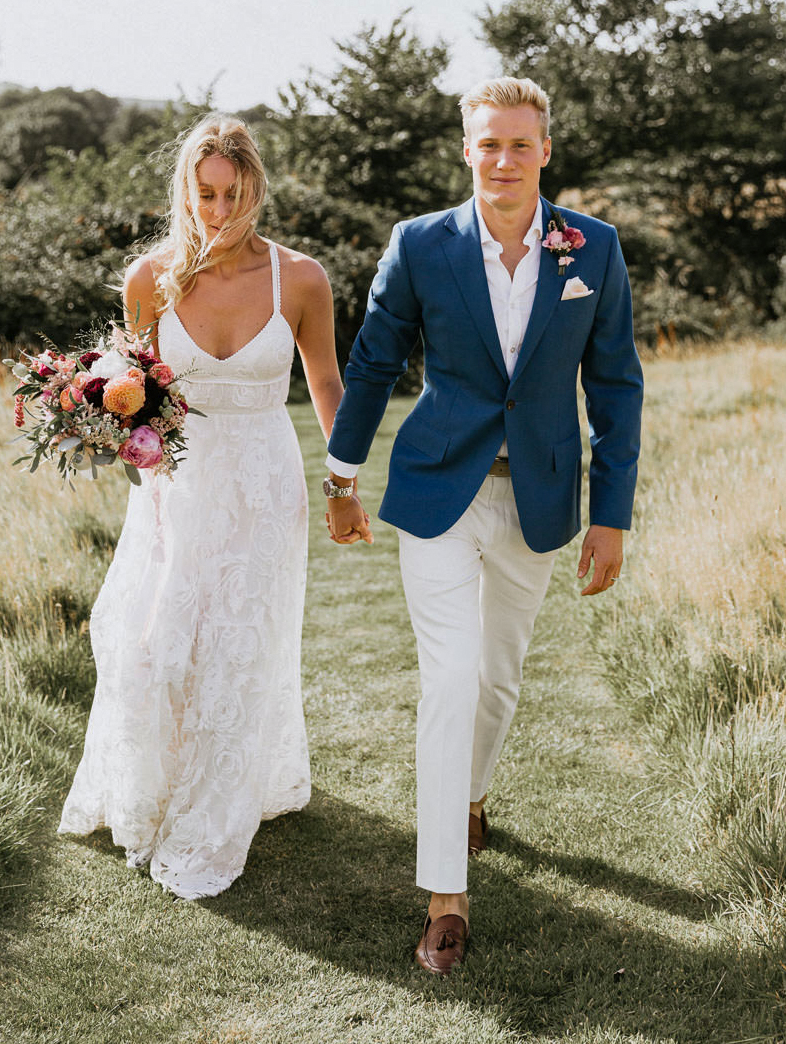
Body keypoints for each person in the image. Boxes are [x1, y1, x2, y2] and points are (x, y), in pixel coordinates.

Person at [324, 77, 643, 972]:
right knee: (452, 677)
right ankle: (444, 896)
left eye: (519, 144)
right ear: (466, 150)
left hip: (537, 496)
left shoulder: (594, 250)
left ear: (546, 150)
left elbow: (616, 384)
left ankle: (469, 796)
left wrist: (610, 516)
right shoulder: (420, 244)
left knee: (498, 680)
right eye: (486, 145)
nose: (502, 160)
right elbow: (375, 357)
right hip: (439, 491)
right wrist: (341, 476)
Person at [58, 114, 357, 899]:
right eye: (205, 194)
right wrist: (104, 426)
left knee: (240, 645)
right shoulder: (148, 277)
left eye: (234, 193)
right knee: (156, 642)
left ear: (255, 187)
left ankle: (221, 804)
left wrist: (344, 482)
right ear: (185, 191)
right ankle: (152, 786)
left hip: (264, 480)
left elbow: (327, 384)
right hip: (177, 482)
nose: (220, 210)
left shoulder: (302, 279)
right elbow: (136, 393)